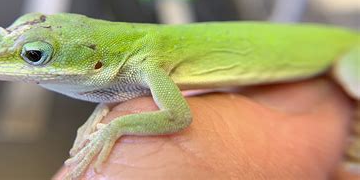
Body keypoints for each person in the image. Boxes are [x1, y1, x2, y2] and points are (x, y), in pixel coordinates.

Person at [55, 77, 358, 179]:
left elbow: (177, 117)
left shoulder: (147, 61)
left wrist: (113, 129)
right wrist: (102, 113)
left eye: (34, 56)